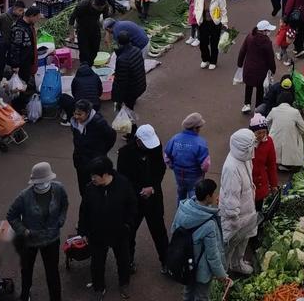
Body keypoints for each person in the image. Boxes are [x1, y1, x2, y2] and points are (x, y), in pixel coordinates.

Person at [7, 162, 69, 301]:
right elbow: (11, 216)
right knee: (27, 271)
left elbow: (64, 204)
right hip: (30, 241)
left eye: (44, 181)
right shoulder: (24, 196)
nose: (42, 184)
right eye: (38, 182)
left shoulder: (59, 189)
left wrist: (61, 219)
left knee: (52, 272)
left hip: (51, 239)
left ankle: (56, 298)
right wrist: (24, 231)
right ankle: (25, 295)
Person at [79, 156, 136, 301]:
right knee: (97, 263)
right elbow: (84, 210)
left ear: (105, 174)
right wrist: (83, 231)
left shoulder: (123, 184)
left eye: (94, 176)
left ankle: (124, 283)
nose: (92, 178)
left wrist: (128, 225)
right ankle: (99, 287)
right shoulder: (90, 188)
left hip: (119, 232)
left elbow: (132, 205)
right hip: (97, 233)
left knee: (123, 260)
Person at [117, 124, 169, 274]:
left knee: (159, 230)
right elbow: (123, 178)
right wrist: (140, 190)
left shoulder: (155, 148)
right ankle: (129, 261)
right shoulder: (125, 153)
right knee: (129, 231)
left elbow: (160, 169)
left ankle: (166, 261)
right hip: (134, 200)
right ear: (138, 140)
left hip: (153, 197)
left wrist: (152, 187)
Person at [171, 178, 228, 301]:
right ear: (208, 197)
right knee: (202, 296)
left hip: (185, 263)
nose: (215, 196)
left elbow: (174, 230)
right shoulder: (209, 224)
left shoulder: (183, 207)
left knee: (187, 292)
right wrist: (221, 275)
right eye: (214, 193)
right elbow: (212, 256)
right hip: (201, 271)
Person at [218, 129, 258, 276]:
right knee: (229, 246)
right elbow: (230, 199)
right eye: (252, 145)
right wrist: (234, 219)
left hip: (246, 211)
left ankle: (237, 264)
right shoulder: (231, 168)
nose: (254, 148)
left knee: (242, 242)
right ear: (244, 148)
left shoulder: (244, 159)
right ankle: (223, 274)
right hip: (235, 217)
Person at [70, 99, 117, 195]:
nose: (76, 117)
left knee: (96, 189)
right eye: (75, 113)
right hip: (80, 163)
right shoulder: (75, 122)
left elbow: (111, 136)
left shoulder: (98, 123)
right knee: (84, 190)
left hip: (94, 163)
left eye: (80, 114)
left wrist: (101, 152)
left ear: (87, 113)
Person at [165, 112, 212, 204]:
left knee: (180, 194)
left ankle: (180, 212)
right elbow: (205, 165)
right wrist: (202, 171)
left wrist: (172, 166)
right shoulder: (201, 143)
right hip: (194, 177)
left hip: (179, 175)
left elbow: (167, 156)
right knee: (194, 198)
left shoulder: (175, 138)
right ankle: (191, 215)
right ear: (195, 128)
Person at [236, 21, 276, 114]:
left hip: (249, 67)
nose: (269, 32)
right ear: (264, 31)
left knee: (248, 86)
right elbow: (270, 57)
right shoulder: (267, 42)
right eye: (268, 30)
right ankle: (258, 107)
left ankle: (247, 104)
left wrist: (240, 63)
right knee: (260, 88)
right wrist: (273, 69)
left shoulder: (249, 36)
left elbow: (242, 50)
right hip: (261, 70)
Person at [268, 91, 304, 170]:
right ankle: (287, 164)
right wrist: (295, 131)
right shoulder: (295, 112)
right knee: (296, 134)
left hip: (274, 142)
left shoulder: (274, 110)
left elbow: (266, 122)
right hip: (290, 142)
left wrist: (272, 129)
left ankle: (276, 162)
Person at [193, 0, 228, 71]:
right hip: (203, 23)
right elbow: (196, 8)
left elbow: (223, 11)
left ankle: (213, 61)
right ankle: (205, 59)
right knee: (203, 43)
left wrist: (224, 23)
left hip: (215, 23)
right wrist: (197, 17)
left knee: (214, 43)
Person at [112, 30, 148, 112]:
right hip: (141, 85)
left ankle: (132, 124)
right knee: (130, 103)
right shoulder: (137, 50)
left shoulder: (122, 59)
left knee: (128, 112)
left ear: (119, 43)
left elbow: (120, 82)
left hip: (132, 90)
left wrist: (117, 99)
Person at [249, 114, 278, 209]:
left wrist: (274, 184)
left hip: (261, 182)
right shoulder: (246, 143)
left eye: (264, 132)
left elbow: (271, 165)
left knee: (258, 208)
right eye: (258, 133)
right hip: (248, 181)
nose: (261, 135)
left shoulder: (269, 142)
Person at [73, 0, 108, 67]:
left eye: (102, 8)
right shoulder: (82, 5)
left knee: (95, 50)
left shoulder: (105, 5)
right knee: (84, 52)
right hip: (82, 28)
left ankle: (89, 67)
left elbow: (106, 20)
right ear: (94, 4)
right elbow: (71, 19)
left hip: (95, 27)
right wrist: (71, 34)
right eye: (99, 9)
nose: (100, 10)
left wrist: (107, 35)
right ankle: (84, 68)